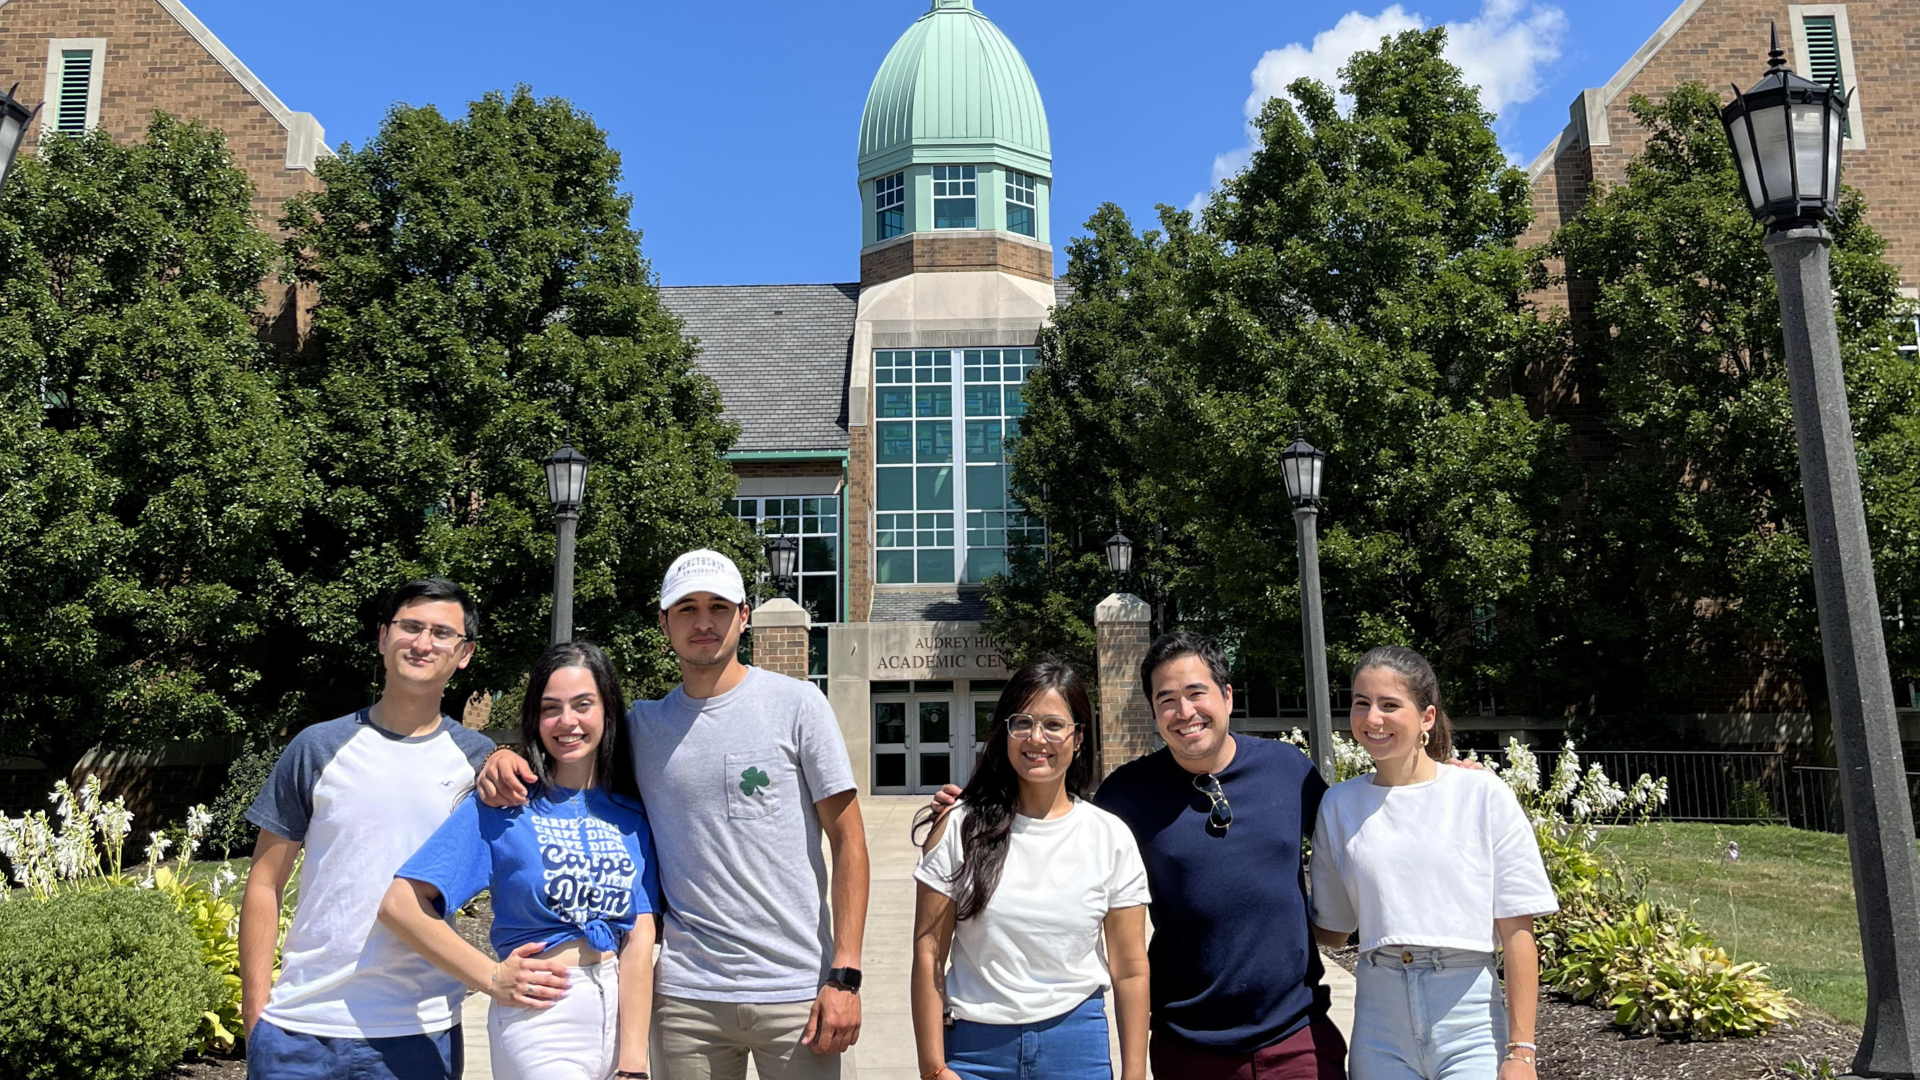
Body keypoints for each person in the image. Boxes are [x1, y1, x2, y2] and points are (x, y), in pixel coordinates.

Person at [478, 549, 869, 1080]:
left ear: (744, 615)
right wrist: (500, 757)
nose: (703, 622)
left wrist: (844, 976)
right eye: (686, 608)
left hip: (795, 993)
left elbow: (849, 842)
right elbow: (570, 745)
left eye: (718, 607)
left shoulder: (798, 705)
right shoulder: (641, 728)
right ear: (664, 622)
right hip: (686, 999)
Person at [931, 629, 1349, 1079]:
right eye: (1166, 699)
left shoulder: (1289, 770)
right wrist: (973, 809)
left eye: (1196, 693)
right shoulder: (1125, 795)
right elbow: (1053, 819)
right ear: (1153, 711)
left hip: (1297, 1037)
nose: (1184, 712)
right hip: (1186, 1043)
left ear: (1227, 696)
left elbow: (1352, 845)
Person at [239, 578, 499, 1080]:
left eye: (442, 634)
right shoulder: (316, 747)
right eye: (411, 627)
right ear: (384, 638)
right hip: (300, 1027)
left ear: (463, 654)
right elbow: (264, 883)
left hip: (419, 1033)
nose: (423, 643)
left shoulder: (479, 760)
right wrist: (257, 1017)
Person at [379, 640, 662, 1080]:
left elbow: (639, 938)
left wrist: (633, 1064)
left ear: (607, 710)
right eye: (551, 708)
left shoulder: (631, 813)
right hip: (540, 1016)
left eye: (583, 705)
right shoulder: (505, 804)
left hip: (620, 1015)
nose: (567, 721)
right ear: (535, 717)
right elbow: (401, 904)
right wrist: (489, 976)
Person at [1309, 646, 1557, 1080]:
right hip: (1379, 1024)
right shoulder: (1339, 804)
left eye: (1390, 705)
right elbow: (1332, 930)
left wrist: (1522, 1052)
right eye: (1361, 703)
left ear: (1426, 717)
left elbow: (1518, 934)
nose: (1372, 719)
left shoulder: (1481, 794)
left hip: (1470, 1023)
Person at [910, 659, 1151, 1080]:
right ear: (1004, 732)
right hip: (973, 1052)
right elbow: (929, 951)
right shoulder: (960, 826)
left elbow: (1130, 970)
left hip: (1076, 1048)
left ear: (1078, 738)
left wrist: (1133, 1076)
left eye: (1054, 725)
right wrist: (933, 1069)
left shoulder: (1109, 837)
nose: (1036, 738)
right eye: (1021, 723)